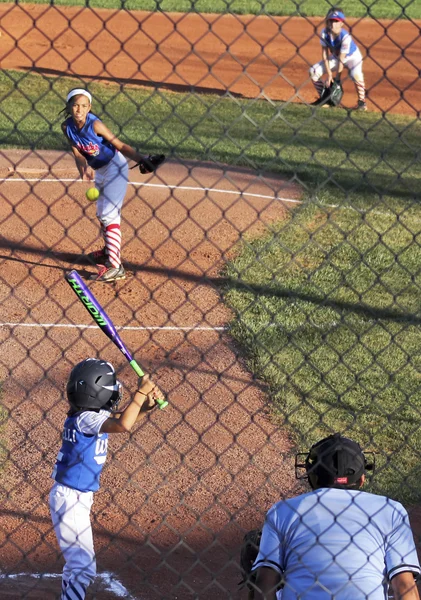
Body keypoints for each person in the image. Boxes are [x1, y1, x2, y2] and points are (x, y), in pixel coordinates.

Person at [251, 433, 420, 600]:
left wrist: (257, 574)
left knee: (268, 573)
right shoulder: (390, 510)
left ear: (313, 476)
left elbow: (264, 586)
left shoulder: (283, 511)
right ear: (361, 478)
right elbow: (404, 587)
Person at [49, 358, 162, 600]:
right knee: (84, 568)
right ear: (96, 391)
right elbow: (123, 424)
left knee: (79, 565)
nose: (115, 390)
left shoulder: (88, 416)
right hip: (70, 500)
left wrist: (145, 407)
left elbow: (122, 421)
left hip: (75, 498)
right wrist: (140, 394)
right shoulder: (84, 419)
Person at [61, 88, 155, 282]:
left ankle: (115, 266)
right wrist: (83, 169)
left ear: (89, 108)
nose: (79, 109)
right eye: (75, 105)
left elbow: (119, 145)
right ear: (69, 106)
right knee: (102, 212)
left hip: (115, 167)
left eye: (84, 106)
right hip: (101, 171)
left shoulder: (94, 124)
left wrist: (142, 159)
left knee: (108, 213)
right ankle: (107, 251)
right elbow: (78, 153)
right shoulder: (67, 127)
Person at [309, 8, 367, 111]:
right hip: (336, 57)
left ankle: (362, 102)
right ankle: (325, 99)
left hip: (352, 57)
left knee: (355, 74)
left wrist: (337, 80)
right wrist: (329, 74)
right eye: (331, 20)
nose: (333, 24)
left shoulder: (345, 37)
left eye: (336, 21)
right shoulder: (324, 33)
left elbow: (342, 58)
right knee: (313, 71)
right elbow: (325, 54)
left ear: (341, 23)